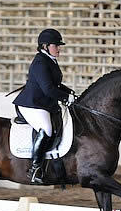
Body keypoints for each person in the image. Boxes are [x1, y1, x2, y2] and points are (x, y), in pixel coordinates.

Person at [13, 29, 75, 184]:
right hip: (32, 104)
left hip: (43, 103)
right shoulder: (41, 62)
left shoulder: (50, 60)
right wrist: (66, 97)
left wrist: (70, 92)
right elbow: (48, 89)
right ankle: (35, 168)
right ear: (45, 46)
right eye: (56, 45)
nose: (59, 48)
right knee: (47, 129)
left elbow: (56, 84)